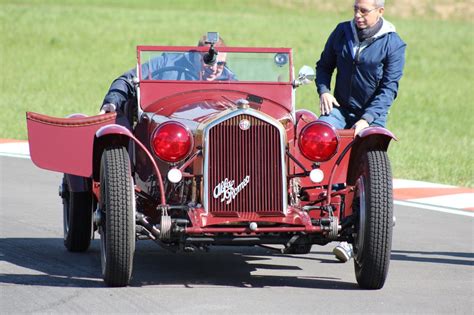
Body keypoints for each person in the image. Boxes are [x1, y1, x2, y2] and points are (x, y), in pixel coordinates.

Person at [315, 0, 406, 262]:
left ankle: (369, 220)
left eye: (364, 11)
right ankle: (316, 204)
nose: (358, 16)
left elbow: (389, 89)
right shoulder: (342, 31)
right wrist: (324, 91)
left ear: (380, 12)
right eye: (355, 9)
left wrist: (366, 119)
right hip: (340, 108)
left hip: (372, 115)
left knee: (363, 164)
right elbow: (323, 66)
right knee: (318, 137)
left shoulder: (393, 43)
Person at [100, 35, 234, 118]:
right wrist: (112, 101)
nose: (215, 69)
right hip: (168, 129)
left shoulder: (227, 77)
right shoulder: (166, 63)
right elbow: (128, 80)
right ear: (195, 55)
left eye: (221, 64)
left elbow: (244, 100)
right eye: (209, 62)